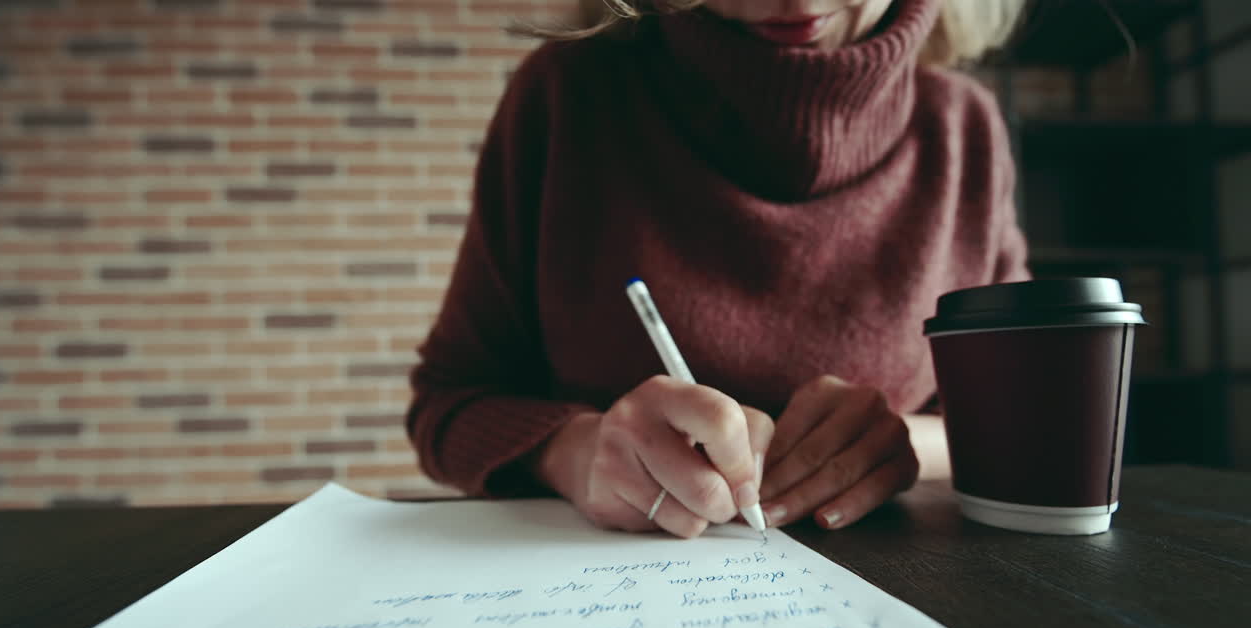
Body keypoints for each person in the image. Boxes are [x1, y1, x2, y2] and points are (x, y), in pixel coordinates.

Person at [406, 0, 1030, 539]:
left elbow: (1028, 418)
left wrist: (904, 445)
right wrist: (574, 450)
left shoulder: (964, 129)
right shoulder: (567, 95)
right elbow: (447, 404)